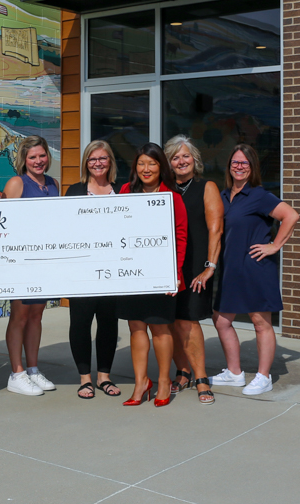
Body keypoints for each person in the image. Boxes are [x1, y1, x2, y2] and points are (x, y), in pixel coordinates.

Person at [209, 143, 299, 396]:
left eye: (244, 163)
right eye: (235, 162)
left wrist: (274, 245)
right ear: (229, 166)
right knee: (221, 320)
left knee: (260, 322)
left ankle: (263, 376)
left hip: (255, 267)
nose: (239, 166)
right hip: (230, 269)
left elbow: (291, 216)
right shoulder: (223, 196)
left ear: (252, 167)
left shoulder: (259, 195)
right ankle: (234, 373)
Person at [116, 142, 187, 407]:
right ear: (135, 166)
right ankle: (141, 383)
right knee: (136, 326)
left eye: (152, 163)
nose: (146, 169)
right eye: (141, 163)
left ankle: (164, 381)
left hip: (160, 273)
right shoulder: (125, 191)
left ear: (161, 167)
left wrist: (175, 273)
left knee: (160, 327)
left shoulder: (172, 196)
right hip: (132, 272)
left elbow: (181, 237)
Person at [164, 135, 222, 405]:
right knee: (170, 320)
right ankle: (183, 371)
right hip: (169, 264)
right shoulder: (164, 189)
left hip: (196, 264)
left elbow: (215, 229)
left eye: (185, 155)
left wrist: (210, 266)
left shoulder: (206, 187)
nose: (181, 161)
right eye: (175, 157)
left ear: (195, 159)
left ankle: (201, 377)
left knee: (188, 320)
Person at [64, 140, 122, 399]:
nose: (98, 163)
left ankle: (104, 377)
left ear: (110, 161)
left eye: (102, 158)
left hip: (114, 269)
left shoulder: (122, 190)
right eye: (92, 159)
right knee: (80, 322)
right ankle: (85, 379)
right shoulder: (75, 191)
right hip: (82, 269)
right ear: (86, 163)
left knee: (108, 322)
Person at [2, 136, 59, 397]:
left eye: (42, 155)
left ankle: (33, 369)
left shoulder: (53, 184)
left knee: (37, 314)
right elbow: (4, 223)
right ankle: (17, 373)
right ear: (24, 160)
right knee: (20, 316)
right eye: (32, 157)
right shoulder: (17, 183)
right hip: (21, 261)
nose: (38, 161)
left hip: (45, 261)